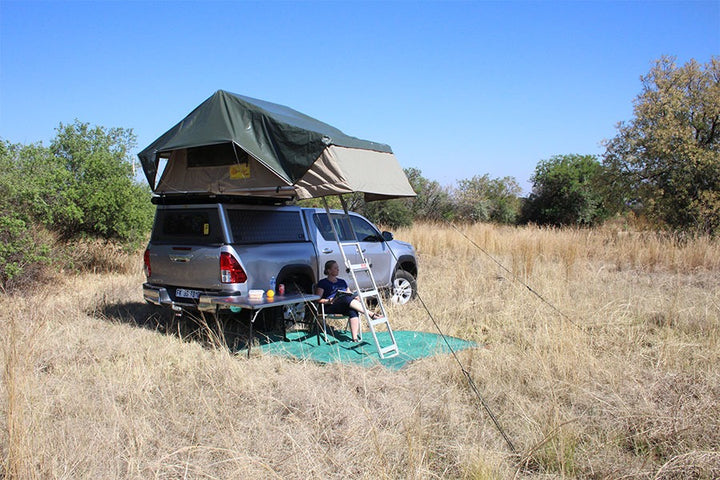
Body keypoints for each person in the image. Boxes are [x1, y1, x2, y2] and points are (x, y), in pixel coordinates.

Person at [316, 260, 380, 342]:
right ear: (328, 270)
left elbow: (349, 293)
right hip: (330, 306)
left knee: (352, 309)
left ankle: (354, 338)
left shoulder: (342, 282)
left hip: (343, 304)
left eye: (338, 268)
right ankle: (370, 314)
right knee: (345, 299)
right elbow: (318, 299)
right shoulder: (323, 283)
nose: (338, 269)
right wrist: (328, 300)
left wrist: (355, 297)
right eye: (335, 268)